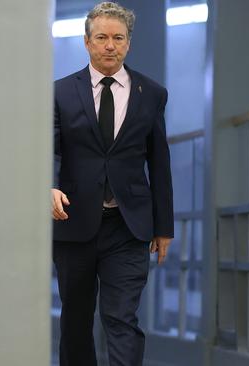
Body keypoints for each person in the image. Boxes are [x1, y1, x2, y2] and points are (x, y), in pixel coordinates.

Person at [51, 2, 173, 365]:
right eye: (101, 37)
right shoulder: (60, 93)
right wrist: (48, 185)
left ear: (128, 44)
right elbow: (48, 149)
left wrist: (163, 226)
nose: (110, 46)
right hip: (73, 223)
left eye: (118, 38)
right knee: (75, 321)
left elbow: (159, 160)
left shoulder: (151, 94)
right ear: (87, 42)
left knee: (121, 318)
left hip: (128, 225)